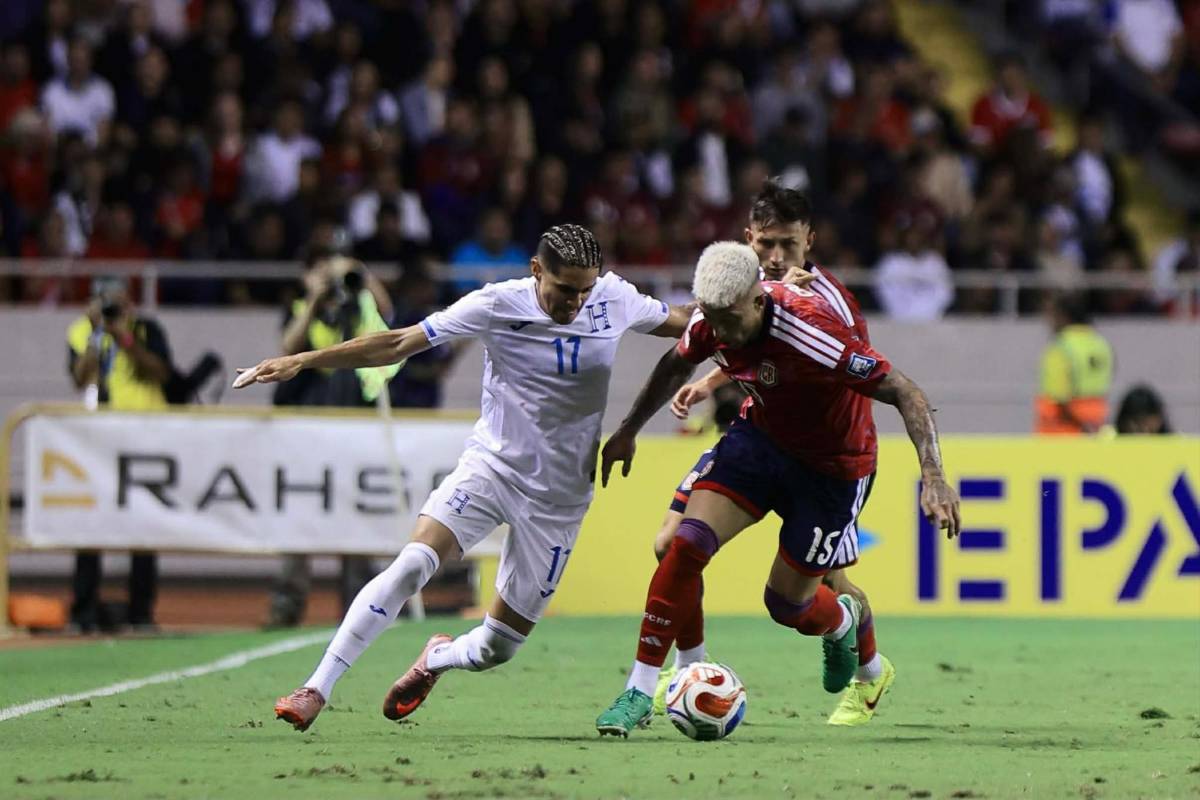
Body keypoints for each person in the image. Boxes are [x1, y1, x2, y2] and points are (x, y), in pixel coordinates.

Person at [233, 224, 693, 732]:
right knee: (412, 564)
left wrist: (770, 297)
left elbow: (689, 323)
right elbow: (398, 343)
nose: (577, 303)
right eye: (565, 290)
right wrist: (302, 360)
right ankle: (315, 687)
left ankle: (437, 659)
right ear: (537, 270)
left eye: (585, 290)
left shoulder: (615, 299)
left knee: (499, 647)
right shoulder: (497, 304)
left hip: (560, 498)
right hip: (491, 469)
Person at [595, 241, 961, 737]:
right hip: (761, 444)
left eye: (730, 320)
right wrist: (628, 429)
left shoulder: (813, 335)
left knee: (786, 605)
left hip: (832, 469)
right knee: (683, 544)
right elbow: (676, 363)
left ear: (758, 301)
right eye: (713, 320)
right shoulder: (715, 318)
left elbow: (903, 390)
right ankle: (640, 689)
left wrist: (934, 476)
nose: (720, 333)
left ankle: (842, 624)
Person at [646, 180, 888, 726]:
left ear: (810, 242)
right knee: (671, 543)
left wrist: (794, 302)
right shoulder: (744, 289)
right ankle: (685, 668)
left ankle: (871, 672)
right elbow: (752, 339)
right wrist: (712, 381)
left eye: (789, 246)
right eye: (766, 246)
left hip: (830, 460)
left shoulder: (828, 306)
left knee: (828, 587)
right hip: (762, 439)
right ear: (747, 240)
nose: (777, 258)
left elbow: (815, 361)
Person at [265, 253, 399, 628]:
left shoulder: (359, 311)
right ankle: (286, 606)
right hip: (304, 434)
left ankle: (359, 610)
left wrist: (360, 274)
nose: (331, 279)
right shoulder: (298, 309)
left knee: (356, 519)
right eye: (323, 271)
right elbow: (288, 345)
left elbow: (386, 322)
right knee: (298, 517)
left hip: (353, 432)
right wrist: (312, 299)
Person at [66, 277, 172, 631]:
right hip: (98, 439)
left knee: (142, 525)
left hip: (143, 437)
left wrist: (123, 336)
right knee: (89, 524)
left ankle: (140, 613)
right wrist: (98, 337)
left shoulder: (146, 330)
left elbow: (159, 372)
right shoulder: (82, 332)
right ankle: (83, 612)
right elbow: (80, 379)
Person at [1035, 293, 1114, 434]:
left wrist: (1081, 424)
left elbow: (1057, 398)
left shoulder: (1060, 347)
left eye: (1052, 316)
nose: (1049, 322)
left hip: (1061, 432)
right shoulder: (1101, 345)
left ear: (1063, 316)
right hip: (1096, 426)